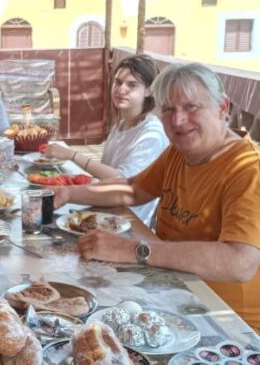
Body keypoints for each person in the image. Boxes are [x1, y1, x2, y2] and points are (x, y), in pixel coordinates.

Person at [53, 63, 260, 332]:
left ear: (223, 108)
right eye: (169, 109)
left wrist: (131, 249)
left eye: (191, 107)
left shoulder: (248, 171)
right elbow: (132, 190)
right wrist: (67, 193)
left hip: (225, 325)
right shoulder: (179, 153)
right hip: (175, 296)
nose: (177, 120)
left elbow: (239, 263)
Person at [42, 54, 168, 225]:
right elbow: (104, 177)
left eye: (132, 85)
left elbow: (122, 182)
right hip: (105, 211)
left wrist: (72, 155)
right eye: (117, 82)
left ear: (148, 90)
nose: (121, 90)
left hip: (129, 222)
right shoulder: (120, 126)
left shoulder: (152, 134)